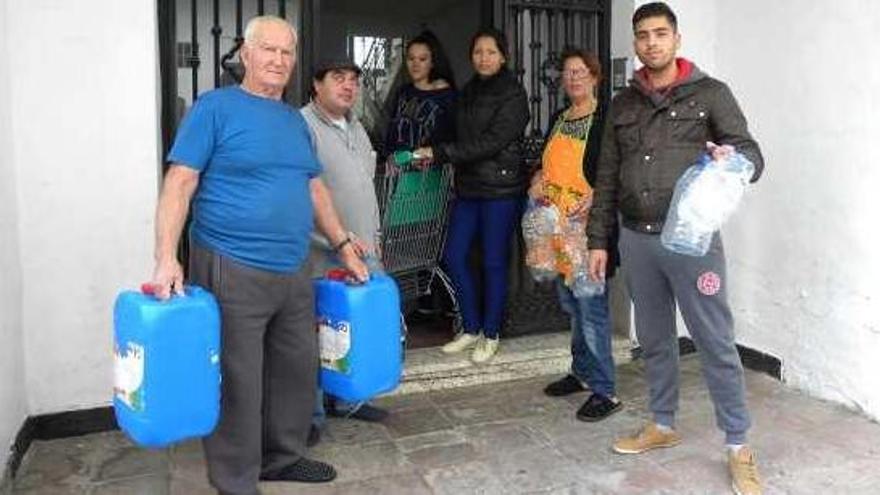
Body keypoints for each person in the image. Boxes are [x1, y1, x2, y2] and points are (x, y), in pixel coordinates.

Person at [150, 15, 368, 494]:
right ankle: (235, 478)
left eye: (286, 52)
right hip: (231, 263)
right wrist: (167, 257)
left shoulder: (294, 120)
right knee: (239, 377)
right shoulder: (214, 108)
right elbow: (179, 183)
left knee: (294, 369)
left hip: (293, 267)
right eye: (268, 49)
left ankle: (283, 457)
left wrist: (344, 245)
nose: (278, 60)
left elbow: (314, 188)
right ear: (246, 55)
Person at [586, 3, 765, 494]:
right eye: (642, 35)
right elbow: (605, 178)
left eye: (660, 34)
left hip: (692, 241)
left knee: (713, 340)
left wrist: (731, 158)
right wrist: (599, 239)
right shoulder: (622, 105)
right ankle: (662, 424)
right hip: (637, 238)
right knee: (656, 337)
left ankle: (738, 444)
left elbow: (752, 155)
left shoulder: (711, 94)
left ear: (677, 39)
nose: (651, 43)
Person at [415, 27, 529, 364]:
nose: (483, 58)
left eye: (490, 52)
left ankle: (491, 333)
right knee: (453, 255)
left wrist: (442, 153)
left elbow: (491, 142)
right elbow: (450, 130)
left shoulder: (514, 95)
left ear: (503, 56)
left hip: (501, 190)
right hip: (468, 187)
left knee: (494, 262)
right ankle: (472, 326)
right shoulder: (466, 93)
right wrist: (427, 149)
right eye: (478, 52)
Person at [529, 48, 622, 421]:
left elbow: (621, 167)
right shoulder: (559, 116)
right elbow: (547, 163)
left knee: (592, 309)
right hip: (557, 226)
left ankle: (606, 390)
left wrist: (598, 194)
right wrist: (537, 179)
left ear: (595, 76)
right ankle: (582, 373)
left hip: (589, 228)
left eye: (581, 71)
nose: (574, 78)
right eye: (568, 72)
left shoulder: (607, 118)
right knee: (571, 305)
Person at [301, 58, 389, 444]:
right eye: (338, 78)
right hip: (322, 254)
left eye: (354, 80)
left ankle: (349, 400)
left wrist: (373, 235)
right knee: (315, 335)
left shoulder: (356, 126)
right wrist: (336, 240)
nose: (349, 86)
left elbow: (364, 188)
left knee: (348, 333)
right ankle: (311, 415)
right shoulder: (302, 126)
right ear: (316, 84)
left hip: (364, 251)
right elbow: (302, 193)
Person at [383, 30, 457, 161]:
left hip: (432, 175)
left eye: (422, 59)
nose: (415, 64)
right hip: (398, 172)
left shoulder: (446, 96)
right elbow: (391, 133)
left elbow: (453, 141)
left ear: (432, 62)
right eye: (411, 58)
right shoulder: (402, 93)